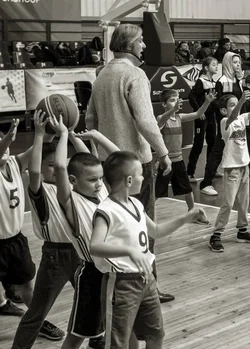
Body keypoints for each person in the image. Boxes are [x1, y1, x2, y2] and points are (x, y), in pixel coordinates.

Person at [85, 23, 175, 303]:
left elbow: (90, 119)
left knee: (115, 222)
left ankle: (118, 281)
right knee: (144, 224)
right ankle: (148, 285)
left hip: (108, 163)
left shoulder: (101, 76)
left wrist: (98, 153)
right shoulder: (134, 74)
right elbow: (146, 120)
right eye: (141, 41)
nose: (144, 46)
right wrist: (162, 151)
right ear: (128, 45)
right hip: (136, 164)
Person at [90, 151, 207, 349]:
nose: (144, 177)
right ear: (129, 180)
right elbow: (95, 245)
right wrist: (129, 250)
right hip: (121, 283)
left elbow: (157, 231)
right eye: (140, 174)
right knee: (119, 342)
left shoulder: (136, 204)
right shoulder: (106, 210)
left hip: (146, 280)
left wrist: (186, 217)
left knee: (156, 334)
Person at [12, 113, 94, 349]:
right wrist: (39, 135)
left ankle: (97, 340)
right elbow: (35, 170)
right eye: (51, 165)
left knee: (95, 302)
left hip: (83, 254)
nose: (56, 168)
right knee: (36, 313)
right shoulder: (39, 190)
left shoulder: (70, 185)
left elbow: (85, 159)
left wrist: (73, 137)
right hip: (55, 257)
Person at [52, 117, 119, 349]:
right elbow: (62, 167)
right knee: (77, 334)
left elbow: (111, 160)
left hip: (115, 270)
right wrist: (62, 135)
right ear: (72, 181)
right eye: (93, 180)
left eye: (101, 178)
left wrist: (77, 136)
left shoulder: (101, 193)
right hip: (92, 275)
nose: (100, 183)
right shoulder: (71, 201)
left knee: (113, 328)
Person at [0, 117, 64, 344]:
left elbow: (39, 145)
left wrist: (52, 129)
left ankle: (39, 321)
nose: (5, 147)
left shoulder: (16, 164)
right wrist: (6, 139)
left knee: (28, 287)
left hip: (15, 241)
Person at [208, 81, 250, 252]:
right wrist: (241, 102)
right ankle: (216, 234)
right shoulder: (225, 122)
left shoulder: (242, 119)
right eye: (232, 104)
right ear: (223, 110)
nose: (236, 106)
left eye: (236, 103)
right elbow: (231, 117)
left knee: (243, 203)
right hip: (232, 168)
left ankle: (242, 231)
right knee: (229, 203)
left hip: (244, 166)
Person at [156, 89, 216, 214]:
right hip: (165, 162)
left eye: (177, 100)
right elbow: (162, 119)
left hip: (178, 160)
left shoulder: (179, 117)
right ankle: (147, 215)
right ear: (163, 104)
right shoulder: (161, 118)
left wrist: (207, 102)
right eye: (172, 100)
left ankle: (192, 212)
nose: (176, 102)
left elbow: (198, 113)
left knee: (187, 190)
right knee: (157, 192)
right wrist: (173, 109)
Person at [199, 51, 244, 196]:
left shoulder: (238, 80)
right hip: (227, 124)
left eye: (239, 62)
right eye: (235, 62)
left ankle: (246, 175)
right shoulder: (222, 81)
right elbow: (220, 103)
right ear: (228, 63)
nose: (238, 65)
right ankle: (205, 183)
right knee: (218, 151)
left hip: (239, 122)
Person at [187, 57, 219, 182]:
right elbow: (191, 96)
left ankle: (211, 170)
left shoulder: (214, 82)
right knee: (198, 144)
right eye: (214, 65)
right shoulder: (201, 81)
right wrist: (198, 111)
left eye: (217, 65)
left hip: (211, 117)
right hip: (202, 117)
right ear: (206, 68)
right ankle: (190, 172)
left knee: (212, 143)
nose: (217, 67)